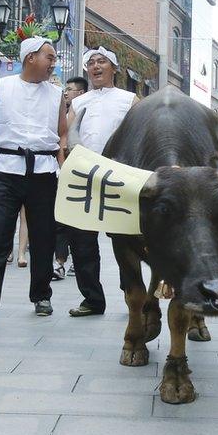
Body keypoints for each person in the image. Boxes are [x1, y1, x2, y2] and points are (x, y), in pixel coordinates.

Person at [0, 37, 66, 324]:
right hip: (7, 171)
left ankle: (42, 295)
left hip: (44, 172)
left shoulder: (57, 95)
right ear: (30, 57)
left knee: (43, 237)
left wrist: (63, 166)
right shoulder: (0, 88)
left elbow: (62, 135)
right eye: (50, 57)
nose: (53, 62)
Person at [65, 46, 138, 318]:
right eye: (91, 63)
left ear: (114, 69)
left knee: (125, 240)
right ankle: (92, 299)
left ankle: (131, 293)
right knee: (82, 240)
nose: (96, 66)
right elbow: (66, 136)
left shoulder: (130, 99)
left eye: (102, 62)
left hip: (120, 176)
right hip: (85, 176)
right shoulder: (78, 103)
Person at [53, 77, 88, 279]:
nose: (66, 93)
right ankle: (59, 263)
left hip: (80, 174)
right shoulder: (61, 114)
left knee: (80, 222)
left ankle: (76, 261)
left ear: (80, 94)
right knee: (60, 221)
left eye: (70, 89)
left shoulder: (86, 115)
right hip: (59, 173)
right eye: (65, 89)